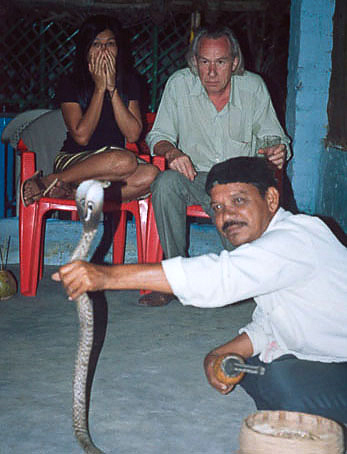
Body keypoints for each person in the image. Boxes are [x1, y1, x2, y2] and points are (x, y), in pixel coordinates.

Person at [53, 156, 347, 425]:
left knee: (281, 383)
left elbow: (219, 278)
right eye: (217, 207)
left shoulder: (296, 239)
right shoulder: (269, 249)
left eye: (238, 201)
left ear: (271, 199)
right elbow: (271, 321)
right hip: (323, 352)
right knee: (243, 365)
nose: (226, 216)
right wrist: (220, 353)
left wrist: (106, 276)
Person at [140, 25, 291, 306]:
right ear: (194, 62)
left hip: (239, 181)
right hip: (196, 176)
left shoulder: (253, 87)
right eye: (204, 62)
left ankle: (247, 275)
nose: (211, 72)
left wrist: (278, 151)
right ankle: (174, 278)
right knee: (165, 183)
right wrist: (171, 152)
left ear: (234, 62)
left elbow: (276, 137)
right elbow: (158, 136)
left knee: (245, 280)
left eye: (220, 62)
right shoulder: (179, 84)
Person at [21, 15, 158, 206]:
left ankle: (71, 194)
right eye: (96, 44)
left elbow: (133, 134)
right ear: (85, 51)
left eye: (110, 43)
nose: (103, 50)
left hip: (112, 167)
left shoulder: (130, 82)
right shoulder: (70, 83)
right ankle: (50, 180)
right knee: (125, 161)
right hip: (75, 162)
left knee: (151, 175)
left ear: (118, 49)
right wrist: (99, 89)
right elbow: (82, 136)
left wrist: (112, 90)